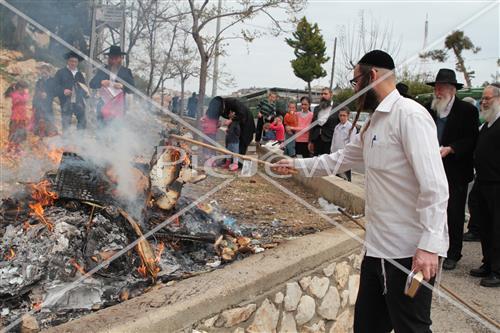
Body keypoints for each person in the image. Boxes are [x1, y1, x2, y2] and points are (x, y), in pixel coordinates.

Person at [274, 50, 448, 332]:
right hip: (377, 250)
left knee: (412, 328)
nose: (354, 89)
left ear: (373, 76)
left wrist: (429, 245)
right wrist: (295, 164)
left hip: (408, 253)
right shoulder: (373, 123)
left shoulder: (410, 115)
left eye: (356, 81)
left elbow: (435, 186)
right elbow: (338, 160)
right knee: (367, 327)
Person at [426, 68, 479, 270]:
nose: (438, 92)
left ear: (452, 90)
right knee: (432, 209)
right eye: (436, 88)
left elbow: (472, 139)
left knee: (454, 213)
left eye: (442, 88)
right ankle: (434, 247)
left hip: (455, 170)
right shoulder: (428, 109)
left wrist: (452, 148)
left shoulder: (467, 111)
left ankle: (453, 252)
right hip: (432, 168)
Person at [469, 83, 500, 287]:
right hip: (482, 182)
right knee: (485, 226)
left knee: (498, 229)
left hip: (497, 185)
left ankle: (498, 271)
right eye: (483, 98)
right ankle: (488, 263)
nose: (483, 101)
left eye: (487, 98)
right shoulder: (487, 124)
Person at [89, 45, 135, 126]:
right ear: (108, 59)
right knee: (101, 134)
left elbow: (132, 89)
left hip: (118, 109)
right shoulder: (103, 70)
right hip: (103, 107)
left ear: (121, 58)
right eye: (111, 58)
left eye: (116, 58)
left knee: (116, 135)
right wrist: (101, 82)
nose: (114, 61)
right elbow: (92, 84)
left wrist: (122, 86)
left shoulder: (126, 72)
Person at [54, 51, 89, 134]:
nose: (73, 63)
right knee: (66, 122)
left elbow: (84, 88)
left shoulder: (80, 75)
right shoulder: (61, 72)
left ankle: (79, 140)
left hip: (78, 102)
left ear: (77, 63)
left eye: (75, 62)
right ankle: (66, 142)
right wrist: (63, 90)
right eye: (71, 61)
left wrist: (86, 93)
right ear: (68, 61)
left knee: (83, 120)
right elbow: (55, 86)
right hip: (66, 101)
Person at [309, 87, 340, 156]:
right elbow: (313, 125)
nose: (323, 96)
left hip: (330, 140)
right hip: (317, 139)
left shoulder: (338, 107)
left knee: (327, 162)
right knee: (316, 161)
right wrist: (310, 141)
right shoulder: (317, 108)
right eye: (322, 94)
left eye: (325, 94)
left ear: (331, 95)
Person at [330, 107, 356, 181]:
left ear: (348, 116)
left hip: (345, 157)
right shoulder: (337, 127)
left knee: (346, 178)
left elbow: (351, 143)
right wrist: (331, 152)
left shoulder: (351, 128)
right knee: (336, 177)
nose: (342, 117)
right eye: (340, 115)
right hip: (335, 155)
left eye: (344, 115)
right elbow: (333, 141)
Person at [4, 81, 30, 154]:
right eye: (24, 89)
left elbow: (26, 98)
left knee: (20, 134)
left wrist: (26, 93)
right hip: (16, 118)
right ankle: (9, 149)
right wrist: (26, 93)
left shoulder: (22, 94)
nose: (25, 90)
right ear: (19, 88)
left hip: (22, 117)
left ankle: (16, 148)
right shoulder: (15, 94)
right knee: (13, 133)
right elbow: (24, 99)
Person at [32, 64, 57, 137]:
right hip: (39, 104)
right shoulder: (39, 82)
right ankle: (38, 135)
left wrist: (47, 95)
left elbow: (55, 92)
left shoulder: (53, 81)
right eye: (42, 72)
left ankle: (48, 134)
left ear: (49, 72)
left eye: (45, 72)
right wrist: (33, 105)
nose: (43, 74)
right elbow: (35, 93)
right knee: (38, 120)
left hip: (48, 104)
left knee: (48, 119)